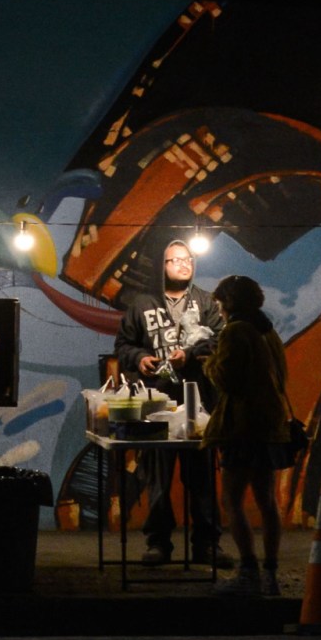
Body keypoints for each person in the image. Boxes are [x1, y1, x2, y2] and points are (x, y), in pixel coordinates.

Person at [113, 240, 230, 568]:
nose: (183, 264)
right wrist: (141, 358)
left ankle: (207, 545)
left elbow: (221, 339)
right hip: (157, 404)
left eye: (188, 259)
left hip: (199, 404)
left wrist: (190, 355)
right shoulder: (142, 304)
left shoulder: (206, 302)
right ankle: (158, 544)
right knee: (159, 480)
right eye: (174, 260)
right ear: (161, 266)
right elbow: (123, 344)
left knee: (202, 479)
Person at [203, 275, 293, 597]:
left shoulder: (236, 331)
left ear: (229, 302)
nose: (220, 310)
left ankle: (248, 572)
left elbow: (227, 379)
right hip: (270, 426)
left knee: (232, 499)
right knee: (267, 502)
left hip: (242, 428)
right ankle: (270, 574)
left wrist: (209, 361)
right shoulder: (268, 331)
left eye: (220, 303)